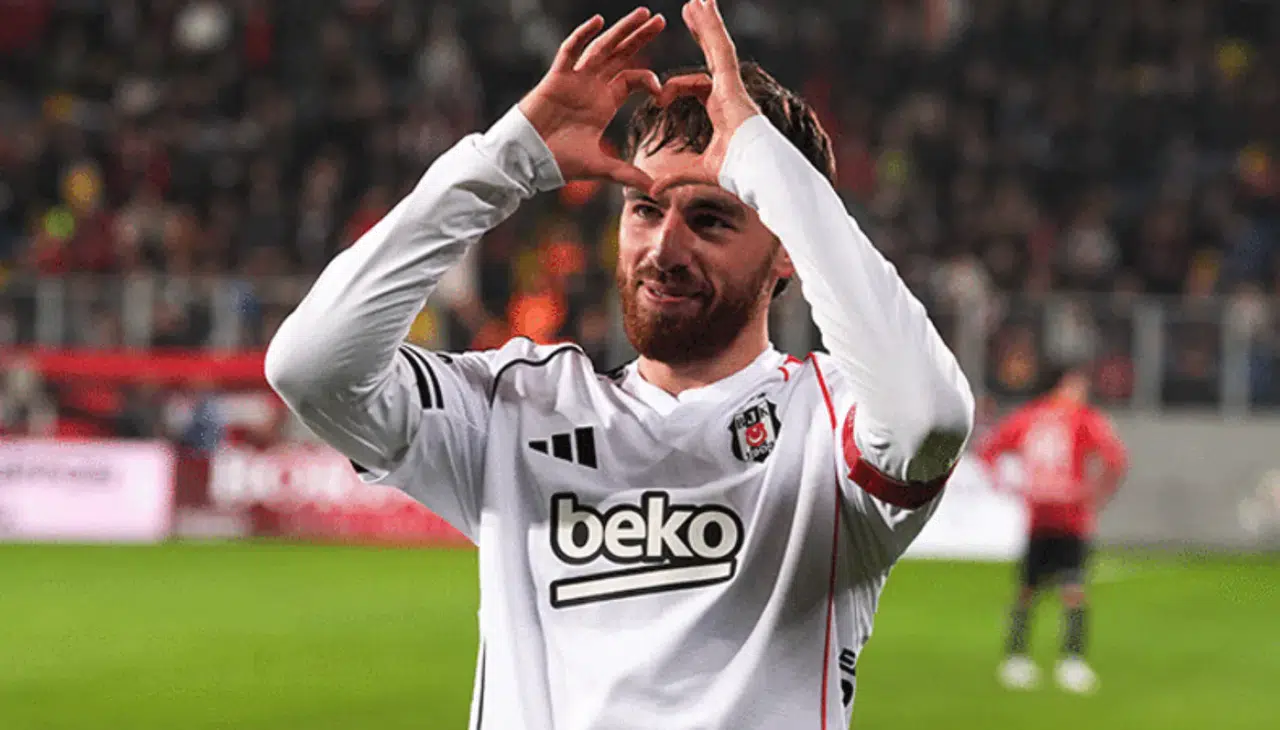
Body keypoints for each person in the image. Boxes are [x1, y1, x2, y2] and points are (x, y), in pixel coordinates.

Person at [266, 2, 973, 727]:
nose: (665, 249)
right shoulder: (516, 407)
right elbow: (313, 368)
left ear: (788, 247)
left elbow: (929, 418)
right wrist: (507, 158)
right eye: (644, 209)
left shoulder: (827, 425)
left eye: (710, 219)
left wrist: (771, 168)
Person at [977, 367, 1128, 694]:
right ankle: (1071, 662)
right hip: (1071, 516)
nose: (1082, 391)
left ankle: (1016, 658)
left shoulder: (1028, 415)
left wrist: (1005, 485)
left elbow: (988, 449)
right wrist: (1097, 494)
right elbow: (1116, 459)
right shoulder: (1084, 419)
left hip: (1040, 514)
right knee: (1072, 590)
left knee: (1028, 589)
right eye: (1077, 385)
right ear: (1062, 385)